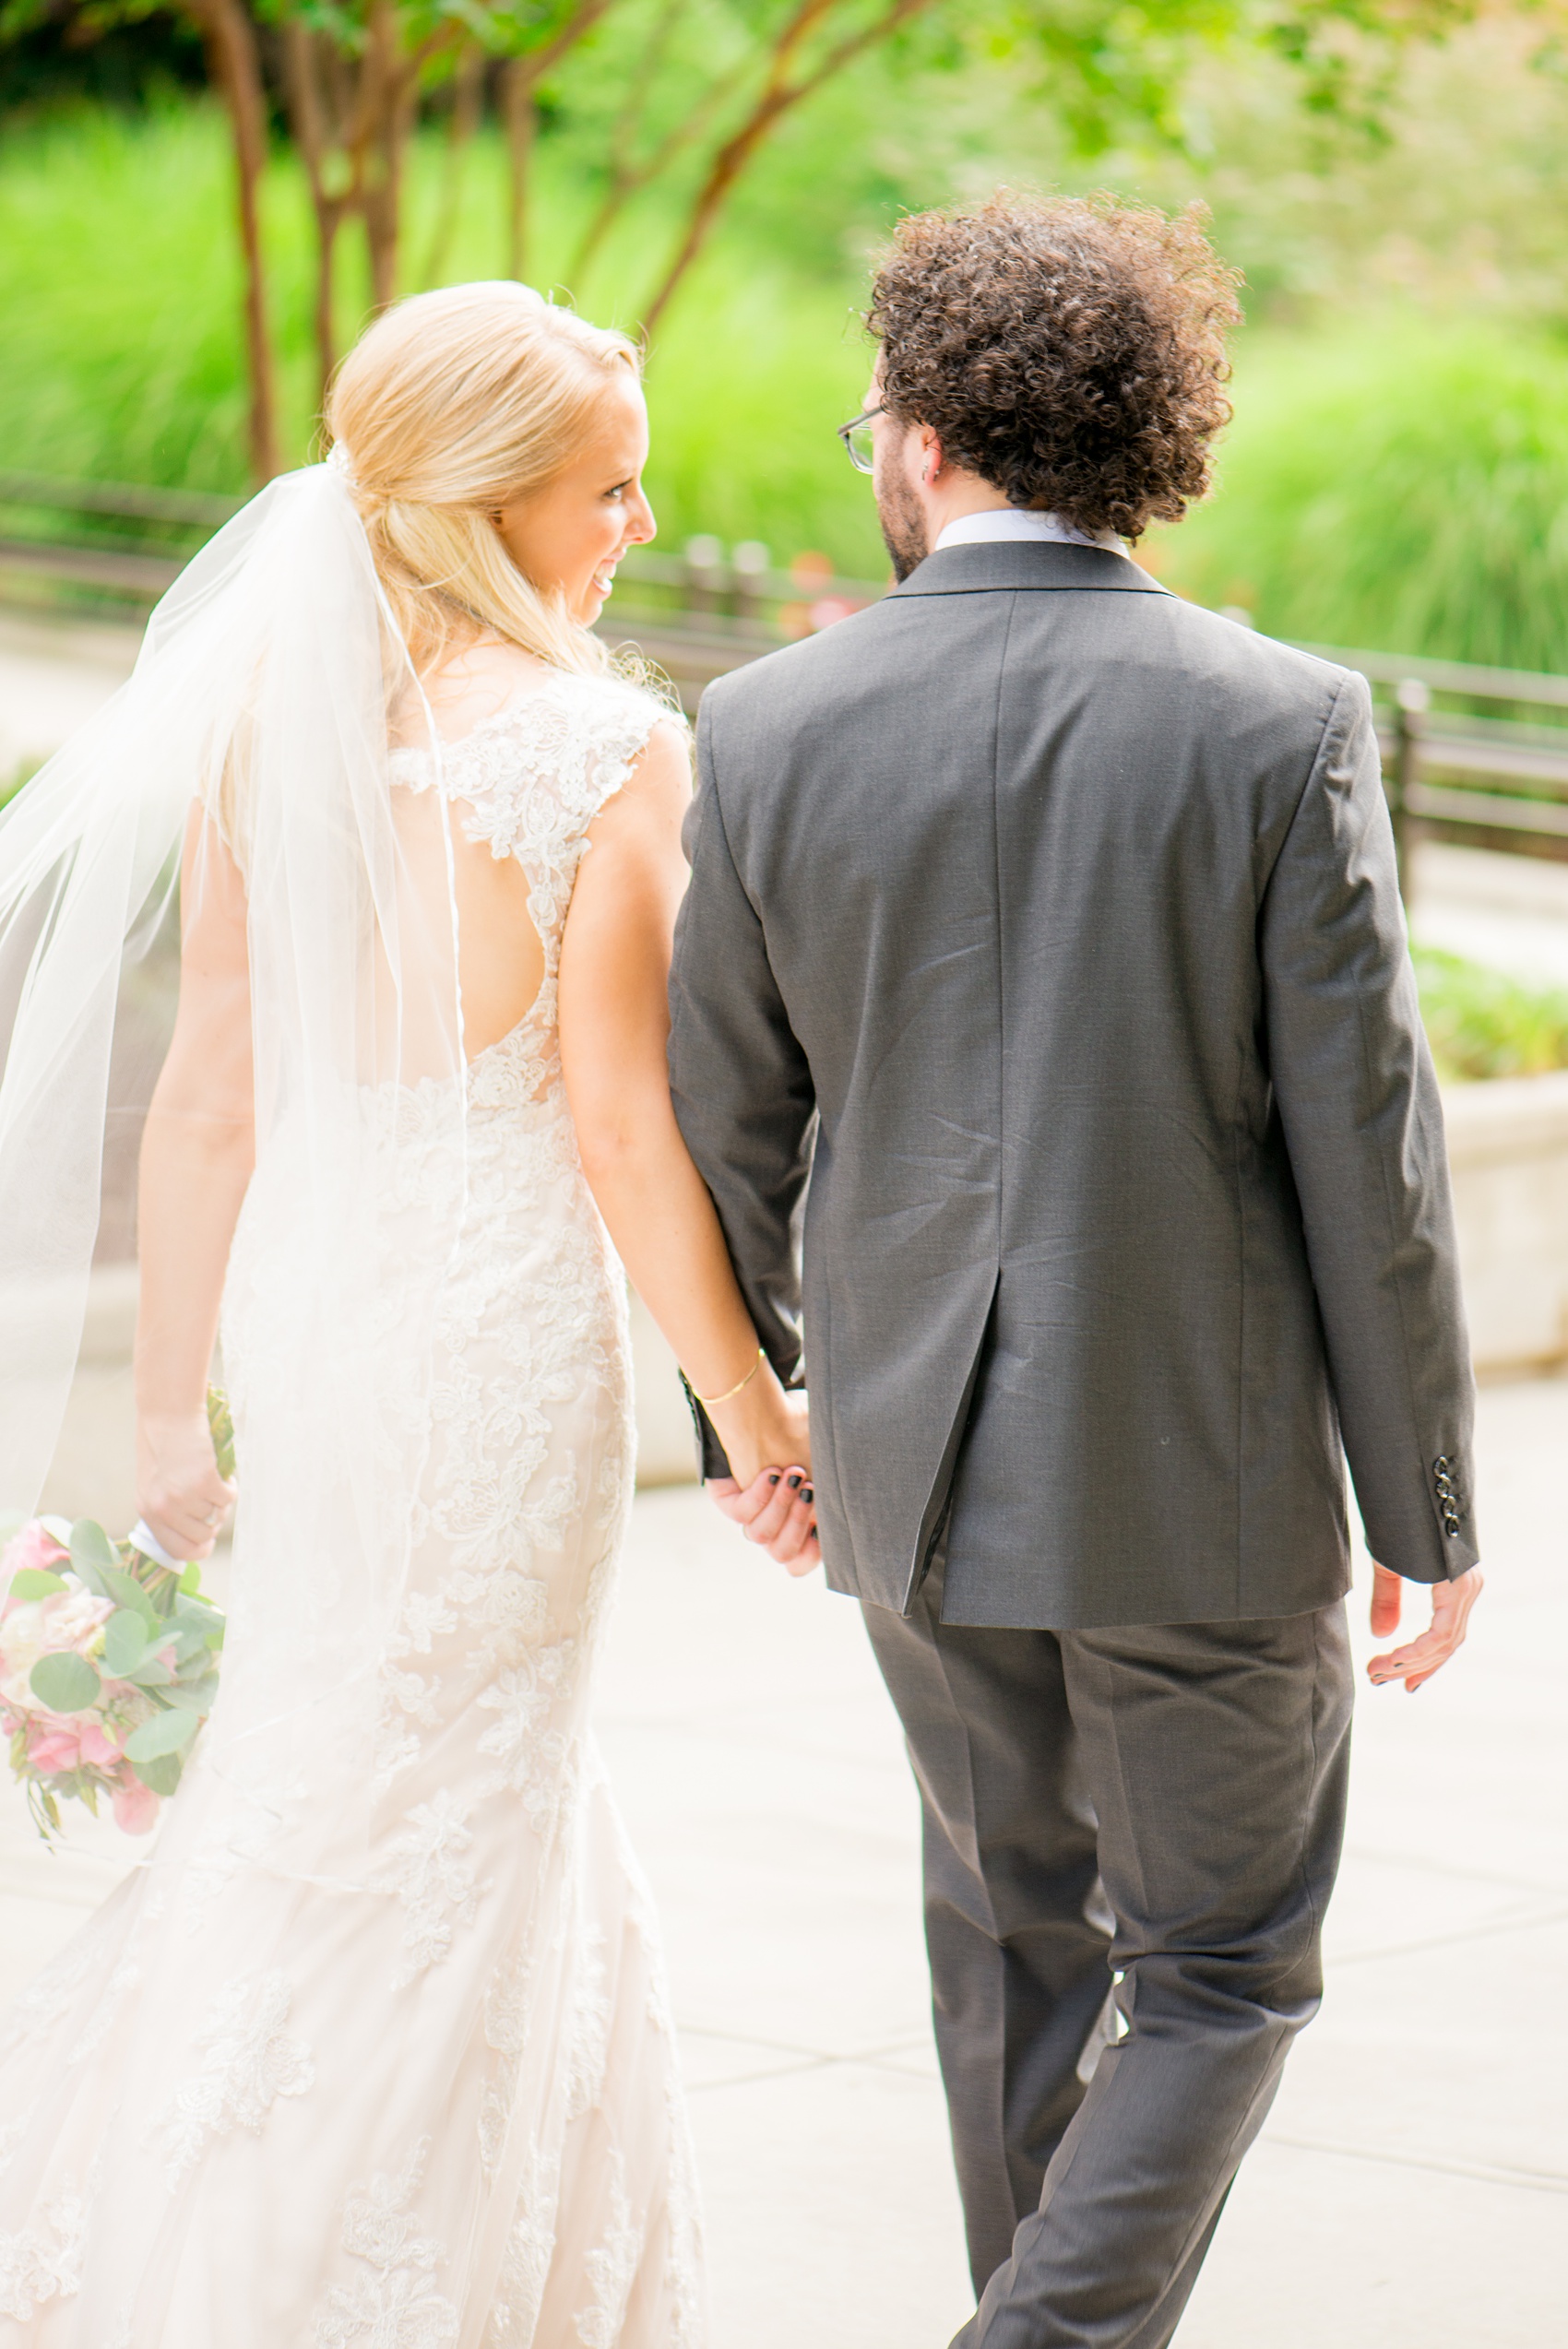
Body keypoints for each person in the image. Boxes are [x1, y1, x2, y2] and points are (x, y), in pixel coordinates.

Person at [669, 196, 1484, 2347]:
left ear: (928, 437)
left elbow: (723, 1129)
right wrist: (1428, 1511)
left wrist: (749, 1419)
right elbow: (1370, 1162)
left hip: (905, 1471)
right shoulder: (1277, 720)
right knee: (1222, 1967)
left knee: (1015, 1933)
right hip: (1196, 1478)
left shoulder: (760, 727)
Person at [0, 281, 814, 2344]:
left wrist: (171, 1410)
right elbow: (623, 1131)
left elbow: (207, 1098)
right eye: (605, 490)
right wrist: (752, 1408)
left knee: (330, 1757)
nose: (640, 521)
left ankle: (185, 2224)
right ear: (478, 505)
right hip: (494, 1340)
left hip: (313, 1320)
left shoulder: (274, 728)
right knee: (460, 1772)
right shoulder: (607, 748)